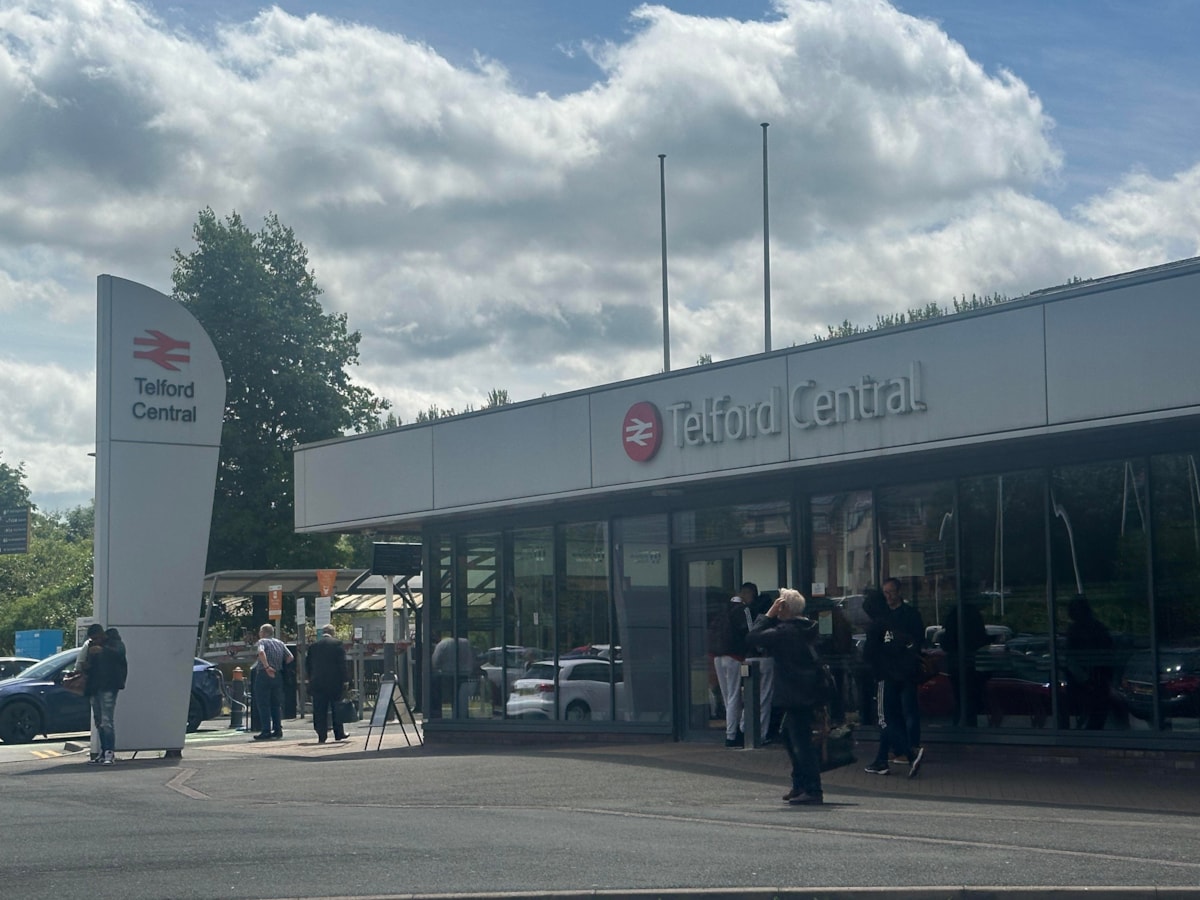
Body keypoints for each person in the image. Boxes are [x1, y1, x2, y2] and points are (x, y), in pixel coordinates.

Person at [747, 588, 825, 805]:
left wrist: (768, 615)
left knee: (801, 741)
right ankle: (800, 784)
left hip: (795, 693)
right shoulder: (807, 628)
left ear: (784, 608)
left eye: (778, 604)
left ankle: (812, 789)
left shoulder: (785, 632)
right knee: (790, 735)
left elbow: (752, 637)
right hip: (806, 691)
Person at [863, 585, 924, 778]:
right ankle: (881, 759)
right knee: (895, 716)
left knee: (884, 719)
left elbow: (869, 654)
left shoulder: (875, 626)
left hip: (885, 676)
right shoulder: (892, 621)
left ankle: (909, 751)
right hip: (902, 675)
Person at [708, 588, 753, 747]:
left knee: (727, 695)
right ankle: (733, 734)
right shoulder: (743, 609)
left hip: (717, 656)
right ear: (747, 595)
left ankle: (731, 730)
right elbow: (750, 632)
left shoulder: (721, 609)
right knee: (734, 695)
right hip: (735, 655)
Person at [78, 624, 128, 766]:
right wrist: (86, 665)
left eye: (96, 638)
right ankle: (103, 751)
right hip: (95, 687)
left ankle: (109, 752)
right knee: (99, 721)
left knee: (106, 720)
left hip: (108, 686)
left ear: (102, 635)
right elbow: (90, 665)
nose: (95, 641)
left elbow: (118, 654)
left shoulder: (115, 643)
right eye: (93, 639)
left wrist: (102, 651)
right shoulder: (93, 646)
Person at [1063, 595, 1114, 730]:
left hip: (1087, 682)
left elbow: (1071, 658)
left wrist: (1085, 680)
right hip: (1095, 681)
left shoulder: (1075, 631)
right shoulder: (1098, 628)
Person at [939, 599, 990, 727]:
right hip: (970, 664)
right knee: (970, 699)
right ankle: (969, 725)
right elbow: (980, 639)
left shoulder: (952, 616)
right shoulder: (973, 616)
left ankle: (959, 725)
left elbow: (946, 642)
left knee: (959, 699)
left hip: (956, 664)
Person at [741, 582, 776, 745]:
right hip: (766, 656)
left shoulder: (747, 611)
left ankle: (746, 730)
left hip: (751, 656)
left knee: (750, 697)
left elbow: (751, 632)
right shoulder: (768, 611)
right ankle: (761, 732)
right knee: (764, 696)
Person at [305, 624, 349, 743]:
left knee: (319, 710)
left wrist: (310, 678)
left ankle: (321, 735)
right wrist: (345, 680)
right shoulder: (337, 644)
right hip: (334, 682)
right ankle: (339, 733)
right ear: (333, 632)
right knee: (336, 708)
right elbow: (342, 664)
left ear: (322, 633)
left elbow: (308, 665)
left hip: (317, 682)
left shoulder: (313, 646)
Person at [252, 623, 294, 741]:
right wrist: (280, 664)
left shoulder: (262, 642)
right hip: (277, 674)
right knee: (276, 704)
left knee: (263, 703)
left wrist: (267, 666)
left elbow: (261, 652)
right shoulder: (280, 643)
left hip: (264, 674)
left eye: (260, 632)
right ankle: (277, 729)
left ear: (263, 633)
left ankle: (266, 730)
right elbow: (290, 657)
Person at [431, 634, 479, 718]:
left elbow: (435, 661)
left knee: (450, 696)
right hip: (465, 674)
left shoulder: (443, 644)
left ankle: (442, 715)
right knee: (462, 698)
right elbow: (474, 657)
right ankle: (461, 715)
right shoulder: (467, 643)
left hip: (447, 674)